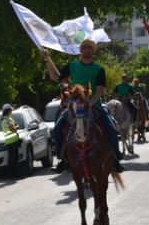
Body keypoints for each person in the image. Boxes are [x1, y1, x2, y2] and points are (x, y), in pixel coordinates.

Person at [41, 41, 126, 172]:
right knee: (57, 129)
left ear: (93, 51)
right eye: (84, 47)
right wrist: (47, 59)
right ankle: (63, 160)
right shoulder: (72, 65)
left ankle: (116, 159)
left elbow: (98, 91)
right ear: (80, 50)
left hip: (94, 106)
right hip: (74, 105)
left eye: (89, 48)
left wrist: (89, 105)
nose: (87, 50)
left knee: (111, 128)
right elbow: (54, 77)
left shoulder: (99, 69)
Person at [1, 104, 21, 179]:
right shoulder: (5, 120)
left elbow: (17, 125)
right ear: (8, 110)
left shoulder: (10, 119)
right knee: (11, 159)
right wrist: (15, 127)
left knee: (16, 158)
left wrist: (15, 127)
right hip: (10, 142)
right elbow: (13, 129)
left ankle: (17, 174)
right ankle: (10, 175)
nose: (12, 111)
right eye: (11, 110)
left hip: (15, 140)